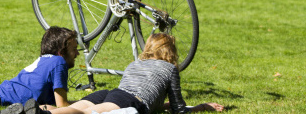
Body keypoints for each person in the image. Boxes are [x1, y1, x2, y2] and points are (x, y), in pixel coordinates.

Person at [40, 33, 224, 114]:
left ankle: (37, 109)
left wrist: (164, 106)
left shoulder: (136, 63)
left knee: (73, 109)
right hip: (130, 101)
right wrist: (201, 107)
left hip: (112, 94)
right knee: (87, 113)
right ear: (171, 52)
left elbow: (157, 103)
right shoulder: (170, 69)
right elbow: (179, 109)